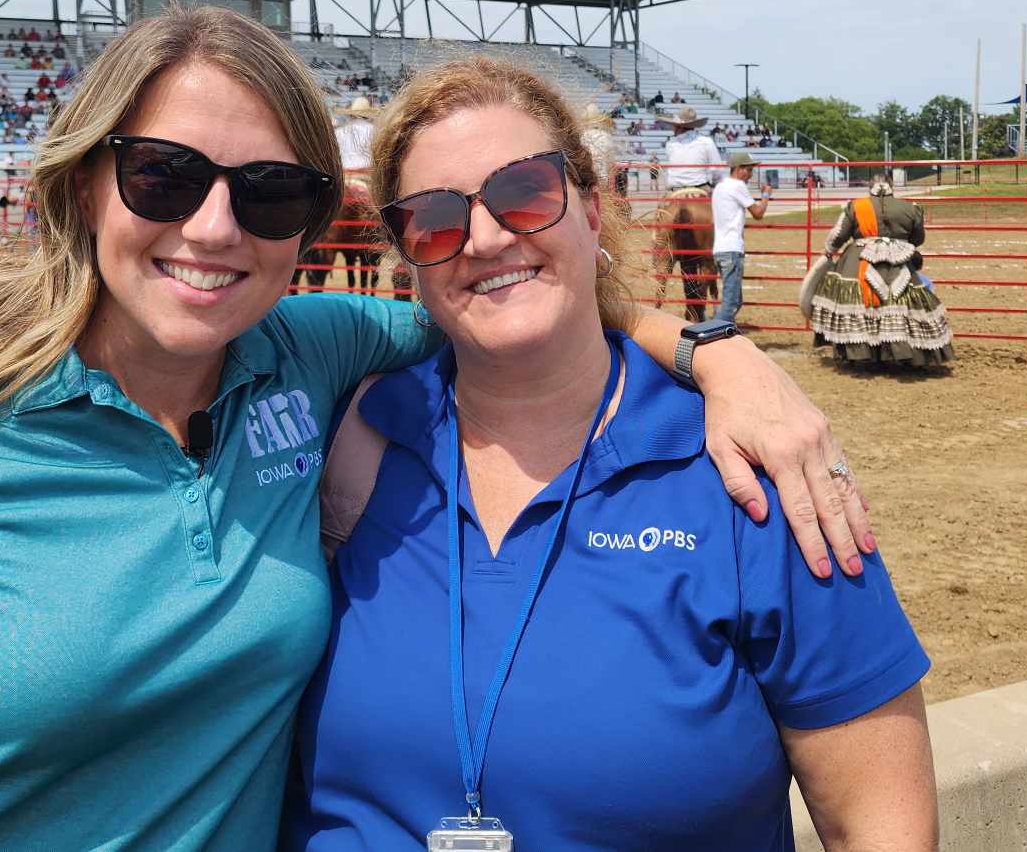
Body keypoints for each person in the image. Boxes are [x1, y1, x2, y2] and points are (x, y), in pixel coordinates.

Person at [0, 8, 871, 851]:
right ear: (85, 180)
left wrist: (720, 354)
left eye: (268, 193)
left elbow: (510, 293)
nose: (214, 228)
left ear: (312, 225)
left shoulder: (308, 354)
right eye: (164, 177)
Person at [286, 58, 933, 851]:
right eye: (435, 218)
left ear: (592, 211)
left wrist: (724, 356)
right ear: (407, 256)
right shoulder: (353, 435)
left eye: (525, 192)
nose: (486, 238)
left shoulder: (752, 468)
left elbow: (879, 823)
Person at [803, 174, 953, 370]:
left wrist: (829, 252)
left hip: (858, 261)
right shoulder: (911, 208)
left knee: (855, 302)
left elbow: (838, 236)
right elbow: (918, 239)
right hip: (899, 262)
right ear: (892, 188)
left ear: (870, 187)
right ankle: (905, 354)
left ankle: (860, 355)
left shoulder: (856, 206)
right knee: (903, 303)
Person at [711, 149, 771, 325]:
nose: (751, 174)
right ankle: (716, 334)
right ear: (739, 169)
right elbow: (758, 213)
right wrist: (766, 195)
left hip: (720, 249)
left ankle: (718, 327)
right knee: (730, 304)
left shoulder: (720, 187)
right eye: (749, 170)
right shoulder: (737, 186)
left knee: (735, 300)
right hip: (732, 249)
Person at [660, 106, 723, 193]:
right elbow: (717, 170)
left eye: (674, 125)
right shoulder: (706, 141)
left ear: (678, 126)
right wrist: (715, 184)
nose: (672, 128)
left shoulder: (670, 144)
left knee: (662, 205)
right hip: (699, 189)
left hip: (675, 191)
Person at [332, 96, 374, 180]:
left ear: (351, 114)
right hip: (366, 174)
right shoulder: (374, 130)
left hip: (344, 174)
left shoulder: (339, 132)